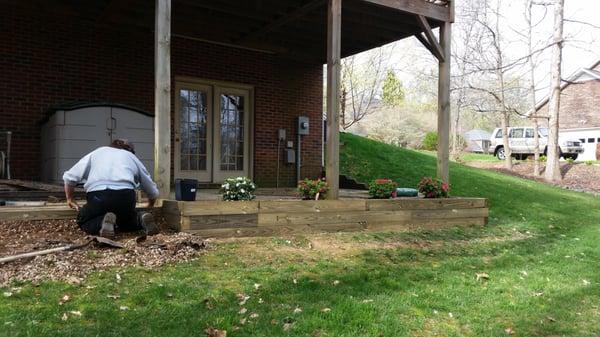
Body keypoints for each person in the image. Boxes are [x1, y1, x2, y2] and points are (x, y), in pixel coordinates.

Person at [63, 139, 160, 238]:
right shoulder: (131, 157)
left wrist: (70, 199)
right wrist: (150, 204)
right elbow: (150, 187)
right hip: (125, 196)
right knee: (126, 221)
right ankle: (140, 219)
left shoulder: (97, 152)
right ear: (130, 150)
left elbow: (70, 177)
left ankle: (101, 223)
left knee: (83, 219)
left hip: (98, 196)